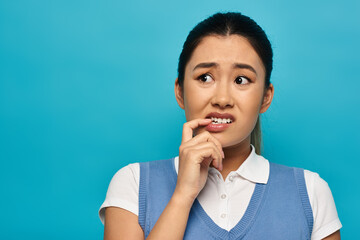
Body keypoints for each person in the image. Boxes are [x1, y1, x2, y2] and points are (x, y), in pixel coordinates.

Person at [99, 12, 342, 239]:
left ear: (266, 97)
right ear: (180, 91)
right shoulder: (133, 182)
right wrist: (183, 195)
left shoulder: (311, 193)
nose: (222, 99)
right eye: (205, 77)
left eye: (241, 80)